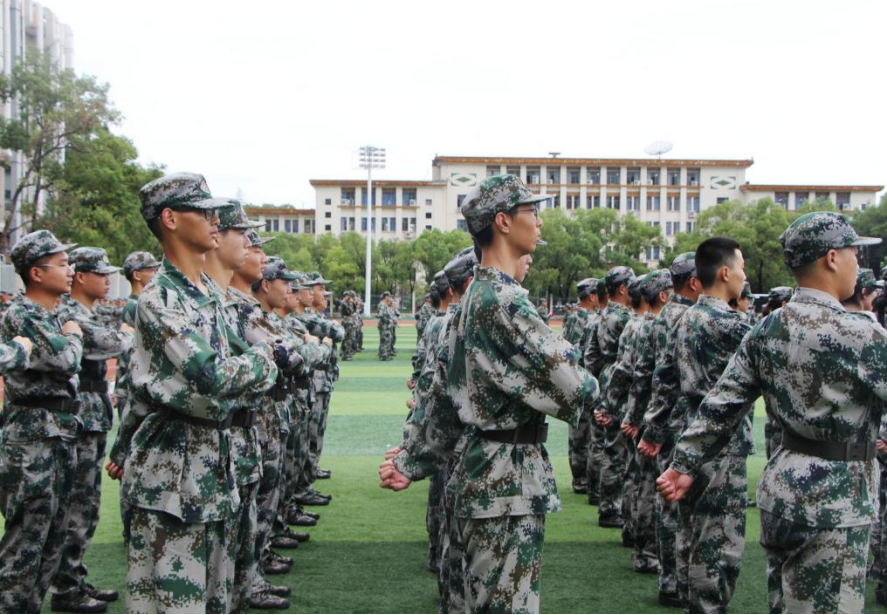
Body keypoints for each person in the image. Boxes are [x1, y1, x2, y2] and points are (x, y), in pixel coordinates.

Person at [382, 174, 598, 613]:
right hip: (506, 483)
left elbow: (440, 395)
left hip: (480, 474)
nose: (539, 221)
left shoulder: (469, 301)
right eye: (531, 211)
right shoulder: (502, 299)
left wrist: (412, 459)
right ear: (503, 221)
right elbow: (578, 388)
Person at [658, 212, 885, 614]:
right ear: (832, 257)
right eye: (855, 253)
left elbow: (722, 403)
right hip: (836, 498)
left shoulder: (767, 328)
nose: (859, 263)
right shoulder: (861, 333)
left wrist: (683, 463)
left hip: (782, 487)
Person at [109, 173, 279, 613]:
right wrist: (262, 362)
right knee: (174, 603)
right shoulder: (160, 299)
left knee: (217, 600)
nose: (213, 220)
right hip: (172, 475)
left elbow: (253, 373)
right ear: (170, 218)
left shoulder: (210, 295)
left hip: (215, 466)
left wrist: (256, 366)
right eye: (201, 211)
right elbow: (214, 375)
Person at [671, 237, 752, 613]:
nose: (744, 276)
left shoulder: (686, 317)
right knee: (718, 542)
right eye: (741, 268)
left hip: (688, 433)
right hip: (722, 442)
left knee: (692, 533)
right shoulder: (731, 325)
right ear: (724, 273)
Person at [51, 248, 134, 614]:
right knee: (77, 508)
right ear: (81, 277)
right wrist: (125, 334)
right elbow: (112, 343)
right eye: (100, 274)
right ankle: (66, 588)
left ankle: (75, 578)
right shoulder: (71, 314)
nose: (107, 280)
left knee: (87, 507)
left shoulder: (90, 314)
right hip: (80, 419)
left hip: (93, 414)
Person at [0, 230, 74, 614]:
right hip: (31, 438)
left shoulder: (53, 315)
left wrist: (69, 333)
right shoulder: (22, 314)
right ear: (37, 273)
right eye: (62, 264)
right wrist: (74, 337)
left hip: (56, 433)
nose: (71, 270)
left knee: (51, 540)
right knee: (25, 543)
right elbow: (65, 360)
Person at [635, 252, 702, 608]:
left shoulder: (663, 318)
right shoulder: (689, 317)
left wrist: (649, 425)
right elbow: (667, 379)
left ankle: (670, 579)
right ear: (694, 281)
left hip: (665, 421)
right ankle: (680, 580)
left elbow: (646, 373)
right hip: (682, 422)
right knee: (683, 506)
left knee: (667, 502)